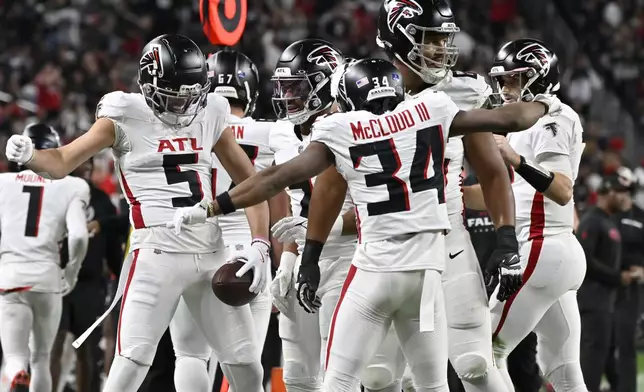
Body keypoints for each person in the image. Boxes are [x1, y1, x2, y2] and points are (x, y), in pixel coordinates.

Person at [168, 56, 558, 391]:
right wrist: (546, 103)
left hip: (373, 271)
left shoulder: (343, 129)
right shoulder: (432, 111)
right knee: (433, 382)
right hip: (426, 274)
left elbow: (276, 179)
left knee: (339, 379)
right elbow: (509, 117)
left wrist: (213, 207)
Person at [274, 1, 521, 390]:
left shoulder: (461, 90)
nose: (441, 49)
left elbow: (492, 171)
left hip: (448, 243)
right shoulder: (362, 85)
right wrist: (311, 253)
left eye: (443, 39)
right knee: (379, 377)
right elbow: (333, 181)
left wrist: (506, 237)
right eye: (431, 39)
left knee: (473, 363)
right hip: (384, 250)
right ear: (398, 39)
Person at [5, 34, 269, 392]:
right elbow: (64, 160)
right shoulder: (123, 114)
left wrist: (259, 243)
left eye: (193, 95)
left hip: (211, 249)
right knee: (131, 362)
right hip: (155, 253)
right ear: (149, 85)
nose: (185, 106)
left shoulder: (211, 112)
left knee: (247, 365)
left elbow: (252, 184)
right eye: (176, 95)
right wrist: (31, 157)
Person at [464, 39, 587, 391]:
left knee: (480, 353)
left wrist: (515, 159)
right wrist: (448, 195)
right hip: (555, 253)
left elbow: (562, 190)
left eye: (513, 80)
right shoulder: (525, 127)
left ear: (539, 77)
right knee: (561, 367)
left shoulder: (554, 118)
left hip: (542, 246)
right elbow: (501, 195)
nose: (505, 89)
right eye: (501, 81)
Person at [166, 48, 288, 392]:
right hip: (247, 252)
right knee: (246, 367)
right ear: (249, 91)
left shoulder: (188, 129)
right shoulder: (269, 133)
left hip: (192, 246)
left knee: (189, 355)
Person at [258, 38, 359, 392]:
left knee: (340, 375)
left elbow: (374, 207)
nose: (288, 96)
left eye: (298, 87)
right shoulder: (282, 132)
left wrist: (322, 233)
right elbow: (288, 197)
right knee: (298, 374)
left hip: (348, 255)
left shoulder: (355, 126)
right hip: (303, 258)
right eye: (284, 87)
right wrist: (286, 258)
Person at [0, 124, 90, 392]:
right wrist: (71, 271)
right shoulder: (73, 186)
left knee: (14, 356)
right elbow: (78, 236)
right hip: (48, 277)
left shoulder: (3, 183)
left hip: (12, 274)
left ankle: (17, 373)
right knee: (41, 359)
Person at [50, 157, 123, 392]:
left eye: (88, 166)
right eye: (80, 165)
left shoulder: (101, 200)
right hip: (56, 280)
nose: (85, 170)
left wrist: (120, 273)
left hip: (90, 284)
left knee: (87, 348)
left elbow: (112, 244)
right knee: (53, 345)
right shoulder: (55, 195)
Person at [576, 169, 632, 392]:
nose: (624, 197)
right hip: (593, 301)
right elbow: (585, 259)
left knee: (605, 359)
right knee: (592, 360)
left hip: (606, 302)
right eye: (620, 192)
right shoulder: (592, 220)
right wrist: (618, 277)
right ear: (607, 192)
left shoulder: (608, 221)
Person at [605, 167, 644, 392]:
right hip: (606, 285)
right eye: (618, 190)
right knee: (605, 342)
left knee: (625, 340)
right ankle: (614, 385)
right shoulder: (606, 216)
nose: (621, 195)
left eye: (625, 190)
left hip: (630, 288)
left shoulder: (640, 217)